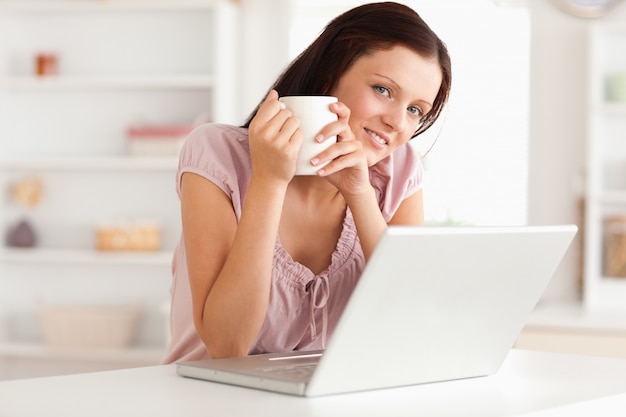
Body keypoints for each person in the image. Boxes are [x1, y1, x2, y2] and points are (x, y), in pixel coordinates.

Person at [163, 1, 451, 363]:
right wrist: (269, 181)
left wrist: (360, 194)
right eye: (383, 90)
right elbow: (227, 345)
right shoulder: (218, 153)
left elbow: (411, 319)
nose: (398, 122)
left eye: (415, 110)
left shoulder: (399, 170)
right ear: (331, 71)